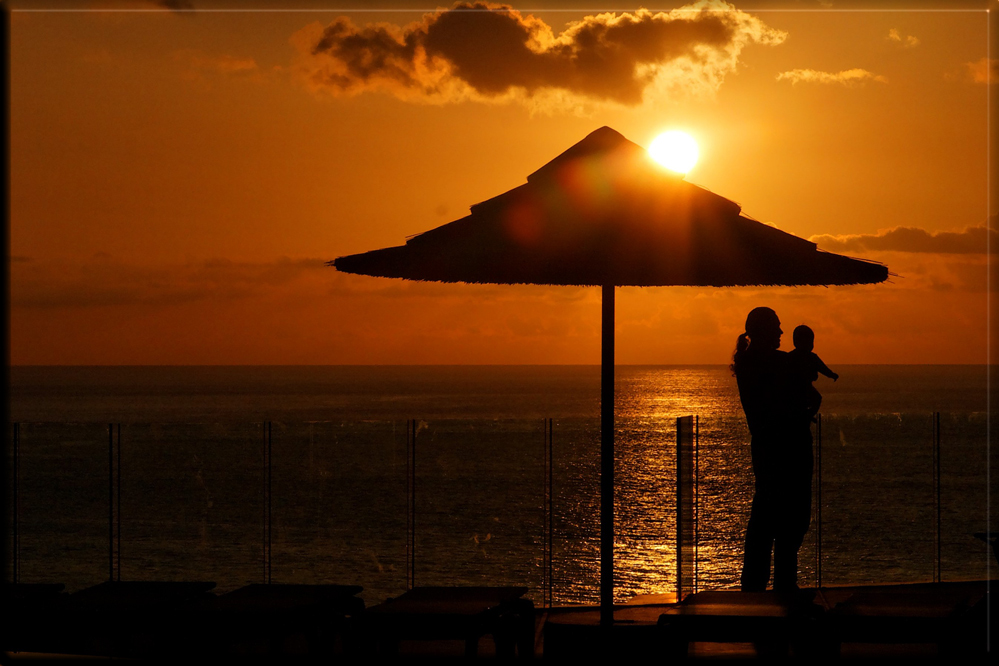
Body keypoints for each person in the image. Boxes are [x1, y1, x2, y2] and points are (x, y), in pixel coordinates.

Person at [731, 307, 813, 592]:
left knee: (766, 524)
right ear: (764, 331)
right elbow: (801, 396)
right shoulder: (775, 364)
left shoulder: (750, 364)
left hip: (768, 452)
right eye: (777, 327)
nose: (781, 332)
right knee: (787, 528)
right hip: (788, 453)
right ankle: (779, 595)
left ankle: (757, 592)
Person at [788, 324, 838, 422]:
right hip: (801, 386)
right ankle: (807, 415)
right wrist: (831, 374)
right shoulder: (800, 357)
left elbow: (822, 368)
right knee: (816, 399)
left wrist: (831, 374)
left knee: (814, 400)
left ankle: (807, 415)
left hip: (802, 386)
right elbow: (822, 368)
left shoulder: (791, 356)